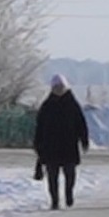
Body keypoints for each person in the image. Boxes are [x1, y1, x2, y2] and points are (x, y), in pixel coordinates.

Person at [33, 74, 90, 209]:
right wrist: (38, 144)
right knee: (52, 175)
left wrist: (84, 140)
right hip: (50, 146)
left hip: (69, 145)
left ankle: (69, 193)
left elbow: (81, 124)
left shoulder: (72, 105)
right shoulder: (47, 106)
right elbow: (40, 126)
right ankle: (55, 200)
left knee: (70, 173)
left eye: (61, 87)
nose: (58, 90)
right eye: (56, 87)